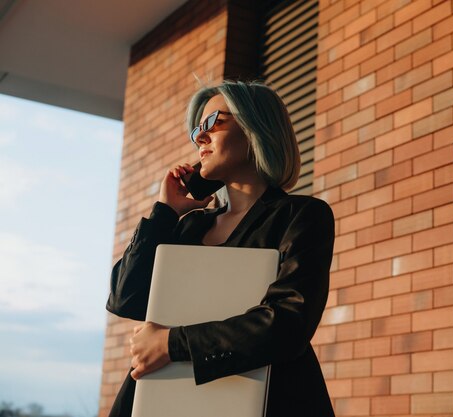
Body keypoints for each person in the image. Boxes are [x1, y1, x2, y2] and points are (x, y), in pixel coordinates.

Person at [105, 80, 336, 417]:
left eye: (213, 122)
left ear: (256, 126)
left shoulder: (301, 216)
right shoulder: (189, 226)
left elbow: (288, 323)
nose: (200, 136)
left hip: (268, 399)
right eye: (197, 129)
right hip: (165, 400)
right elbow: (125, 298)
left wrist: (171, 344)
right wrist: (164, 213)